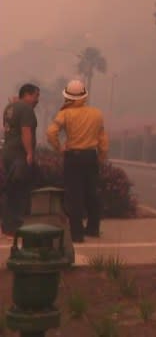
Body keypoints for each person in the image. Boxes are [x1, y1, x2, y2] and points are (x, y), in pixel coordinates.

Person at [46, 80, 108, 243]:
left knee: (75, 196)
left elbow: (51, 132)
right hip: (91, 157)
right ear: (84, 96)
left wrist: (59, 147)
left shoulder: (65, 114)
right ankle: (93, 229)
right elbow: (103, 140)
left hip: (73, 157)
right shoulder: (97, 114)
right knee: (92, 193)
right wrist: (100, 158)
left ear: (67, 97)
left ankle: (77, 234)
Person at [2, 83, 40, 238]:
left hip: (7, 154)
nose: (37, 100)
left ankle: (7, 226)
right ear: (28, 95)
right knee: (18, 192)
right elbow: (26, 131)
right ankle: (14, 226)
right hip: (19, 156)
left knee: (9, 191)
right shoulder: (26, 109)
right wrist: (29, 153)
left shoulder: (9, 108)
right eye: (36, 96)